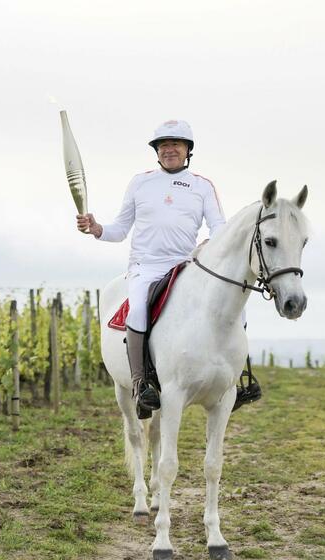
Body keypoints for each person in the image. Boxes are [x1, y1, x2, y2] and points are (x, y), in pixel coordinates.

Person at [76, 119, 226, 412]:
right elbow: (120, 229)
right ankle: (140, 382)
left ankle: (240, 378)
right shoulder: (140, 182)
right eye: (163, 145)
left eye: (175, 144)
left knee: (230, 301)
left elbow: (219, 226)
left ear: (187, 150)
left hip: (186, 266)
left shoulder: (202, 186)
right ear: (156, 151)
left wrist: (211, 244)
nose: (169, 150)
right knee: (139, 306)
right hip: (146, 266)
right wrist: (96, 228)